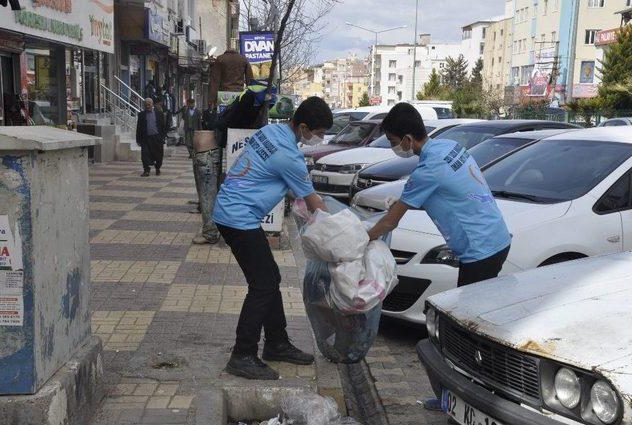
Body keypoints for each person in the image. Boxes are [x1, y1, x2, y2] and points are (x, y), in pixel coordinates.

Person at [366, 103, 511, 410]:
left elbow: (392, 221)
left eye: (393, 141)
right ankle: (461, 395)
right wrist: (403, 202)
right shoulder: (448, 146)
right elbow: (449, 191)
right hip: (495, 238)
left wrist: (359, 239)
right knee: (470, 325)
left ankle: (474, 398)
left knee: (464, 330)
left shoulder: (427, 169)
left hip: (479, 251)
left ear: (407, 139)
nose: (394, 148)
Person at [212, 96, 332, 380]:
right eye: (319, 133)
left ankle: (277, 343)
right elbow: (314, 202)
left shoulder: (270, 132)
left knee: (269, 278)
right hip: (237, 218)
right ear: (303, 126)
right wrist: (346, 228)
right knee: (264, 283)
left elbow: (273, 178)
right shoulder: (289, 157)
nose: (320, 138)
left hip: (232, 211)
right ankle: (243, 354)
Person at [136, 98, 167, 177]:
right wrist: (138, 139)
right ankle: (146, 170)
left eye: (149, 104)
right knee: (145, 155)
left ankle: (158, 168)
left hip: (157, 138)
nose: (147, 106)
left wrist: (163, 137)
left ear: (152, 104)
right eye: (146, 105)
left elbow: (163, 126)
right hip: (146, 138)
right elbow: (139, 127)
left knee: (158, 155)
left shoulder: (159, 114)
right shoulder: (141, 115)